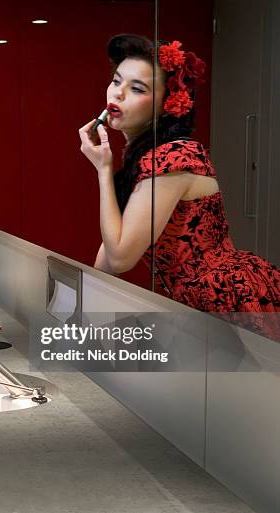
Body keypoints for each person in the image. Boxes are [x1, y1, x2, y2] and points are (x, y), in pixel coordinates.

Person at [79, 34, 280, 338]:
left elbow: (122, 257)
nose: (117, 94)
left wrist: (103, 170)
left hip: (230, 297)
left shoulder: (173, 157)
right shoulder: (144, 156)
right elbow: (110, 252)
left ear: (167, 105)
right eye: (116, 81)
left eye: (136, 88)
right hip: (198, 302)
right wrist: (84, 314)